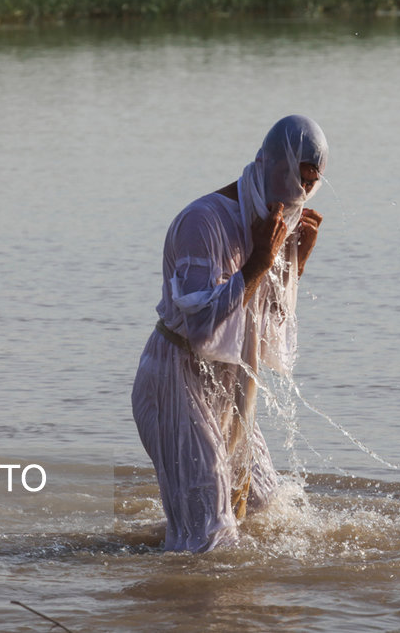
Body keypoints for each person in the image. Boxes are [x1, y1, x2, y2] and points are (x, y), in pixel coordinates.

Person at [131, 114, 328, 552]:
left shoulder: (274, 224)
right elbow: (203, 328)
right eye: (293, 177)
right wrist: (259, 261)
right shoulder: (203, 222)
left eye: (309, 184)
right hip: (175, 386)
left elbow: (267, 327)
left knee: (266, 511)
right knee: (211, 542)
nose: (297, 194)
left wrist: (296, 261)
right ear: (265, 162)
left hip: (229, 387)